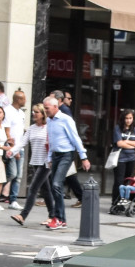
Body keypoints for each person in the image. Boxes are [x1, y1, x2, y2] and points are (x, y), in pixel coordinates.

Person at [42, 94, 88, 230]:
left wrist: (83, 157)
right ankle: (59, 218)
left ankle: (59, 219)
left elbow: (75, 138)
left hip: (66, 155)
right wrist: (49, 157)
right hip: (56, 155)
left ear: (56, 107)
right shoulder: (49, 121)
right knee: (54, 185)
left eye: (47, 108)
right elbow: (51, 141)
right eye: (44, 109)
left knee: (56, 183)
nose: (46, 111)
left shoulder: (66, 119)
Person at [9, 103, 55, 227]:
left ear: (43, 114)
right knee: (46, 190)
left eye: (37, 112)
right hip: (35, 161)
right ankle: (53, 216)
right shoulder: (31, 128)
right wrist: (12, 151)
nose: (34, 114)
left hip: (46, 163)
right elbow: (22, 142)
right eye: (33, 112)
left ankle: (23, 215)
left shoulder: (49, 127)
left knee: (33, 188)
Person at [3, 88, 27, 209]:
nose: (26, 100)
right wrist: (13, 149)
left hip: (20, 148)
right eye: (24, 98)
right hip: (10, 148)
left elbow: (21, 131)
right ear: (18, 99)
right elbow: (7, 132)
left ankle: (13, 200)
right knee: (12, 174)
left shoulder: (22, 113)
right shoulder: (7, 111)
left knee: (18, 176)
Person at [111, 108, 135, 189]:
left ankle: (124, 198)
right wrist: (132, 145)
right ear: (123, 118)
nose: (128, 120)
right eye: (126, 118)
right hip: (120, 158)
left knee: (127, 180)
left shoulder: (134, 129)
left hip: (131, 158)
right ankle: (116, 200)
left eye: (130, 118)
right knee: (119, 180)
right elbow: (119, 143)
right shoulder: (118, 128)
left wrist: (126, 141)